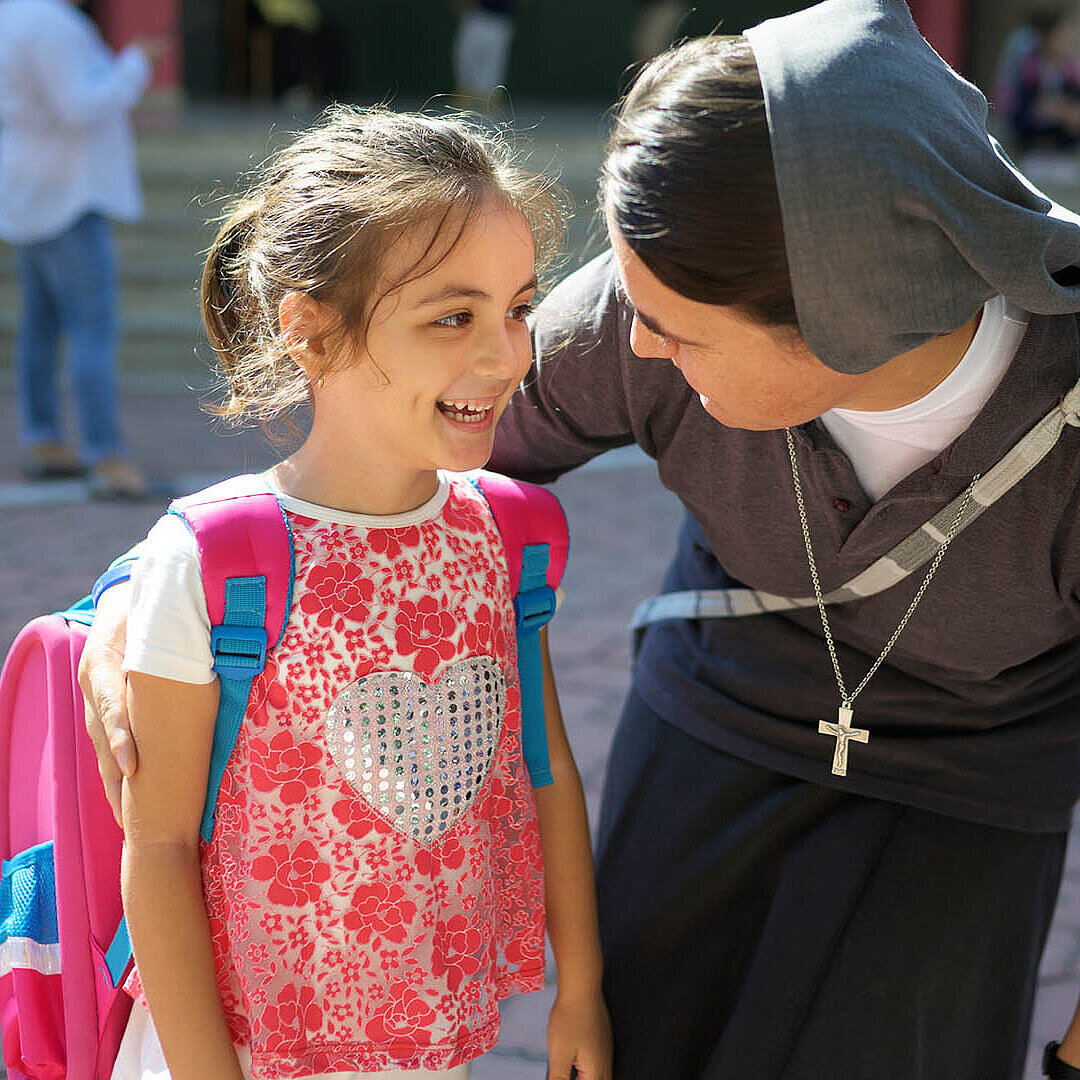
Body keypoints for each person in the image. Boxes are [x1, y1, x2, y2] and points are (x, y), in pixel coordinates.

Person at [79, 0, 1080, 1076]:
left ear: (850, 313)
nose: (634, 342)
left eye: (681, 331)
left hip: (978, 777)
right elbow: (383, 451)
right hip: (721, 713)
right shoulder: (645, 310)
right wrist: (140, 595)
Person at [106, 106, 610, 1080]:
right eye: (452, 317)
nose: (507, 355)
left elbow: (545, 769)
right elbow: (159, 845)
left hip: (429, 1044)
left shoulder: (512, 534)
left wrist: (579, 987)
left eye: (518, 308)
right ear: (310, 329)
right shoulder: (213, 557)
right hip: (235, 1051)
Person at [0, 0, 166, 497]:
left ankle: (44, 438)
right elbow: (79, 105)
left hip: (34, 187)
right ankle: (104, 455)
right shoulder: (50, 22)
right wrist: (135, 63)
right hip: (67, 192)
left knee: (40, 326)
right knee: (91, 329)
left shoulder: (13, 16)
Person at [994, 8, 1080, 184]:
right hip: (1030, 144)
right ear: (1046, 39)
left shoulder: (1071, 72)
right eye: (1061, 36)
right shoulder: (1028, 68)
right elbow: (1020, 108)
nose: (1068, 42)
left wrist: (1064, 112)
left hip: (1062, 147)